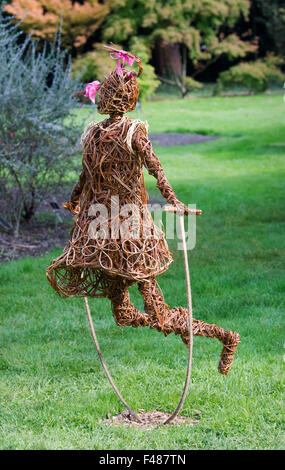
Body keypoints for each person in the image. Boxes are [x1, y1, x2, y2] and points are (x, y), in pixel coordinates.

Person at [46, 47, 240, 375]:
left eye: (111, 93)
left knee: (160, 315)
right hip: (101, 231)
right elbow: (87, 173)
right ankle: (181, 325)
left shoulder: (135, 132)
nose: (104, 98)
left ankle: (223, 336)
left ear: (123, 99)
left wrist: (173, 199)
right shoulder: (93, 134)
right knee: (123, 314)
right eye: (104, 92)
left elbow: (155, 168)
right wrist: (75, 199)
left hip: (132, 232)